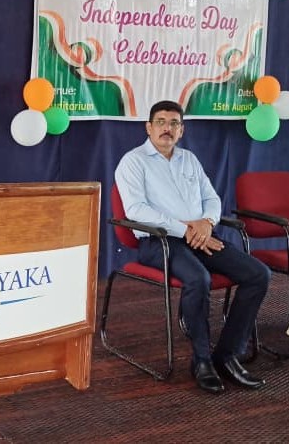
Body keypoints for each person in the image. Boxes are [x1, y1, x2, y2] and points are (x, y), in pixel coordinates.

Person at [114, 100, 271, 394]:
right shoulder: (133, 161)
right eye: (161, 122)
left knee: (258, 274)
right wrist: (186, 229)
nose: (167, 128)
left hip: (200, 236)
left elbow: (212, 199)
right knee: (199, 279)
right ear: (148, 127)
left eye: (174, 123)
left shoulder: (189, 159)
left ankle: (227, 355)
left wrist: (207, 223)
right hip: (158, 241)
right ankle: (202, 361)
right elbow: (136, 210)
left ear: (182, 130)